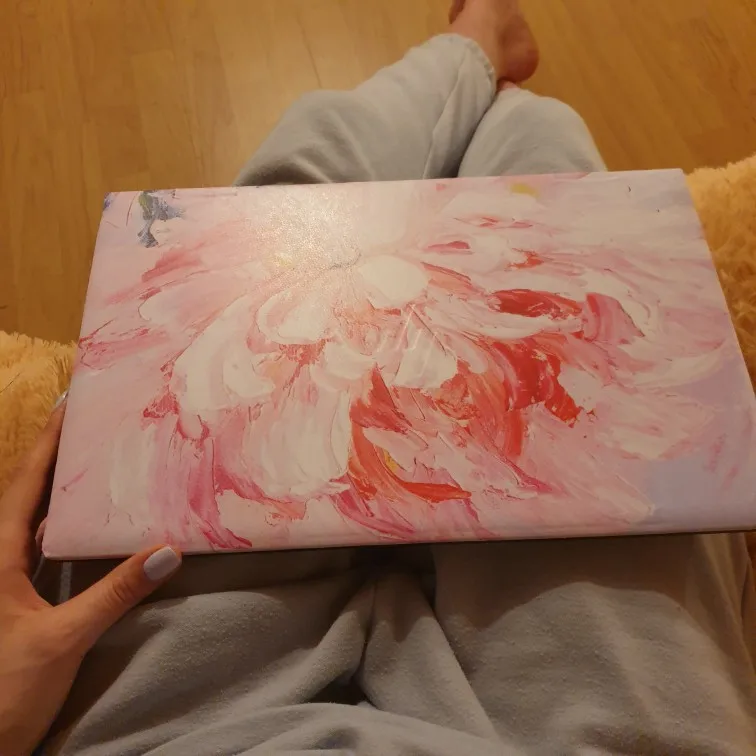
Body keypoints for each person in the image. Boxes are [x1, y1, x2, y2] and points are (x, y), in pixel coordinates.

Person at [2, 1, 755, 753]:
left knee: (284, 207)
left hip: (173, 728)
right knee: (559, 229)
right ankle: (495, 87)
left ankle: (476, 60)